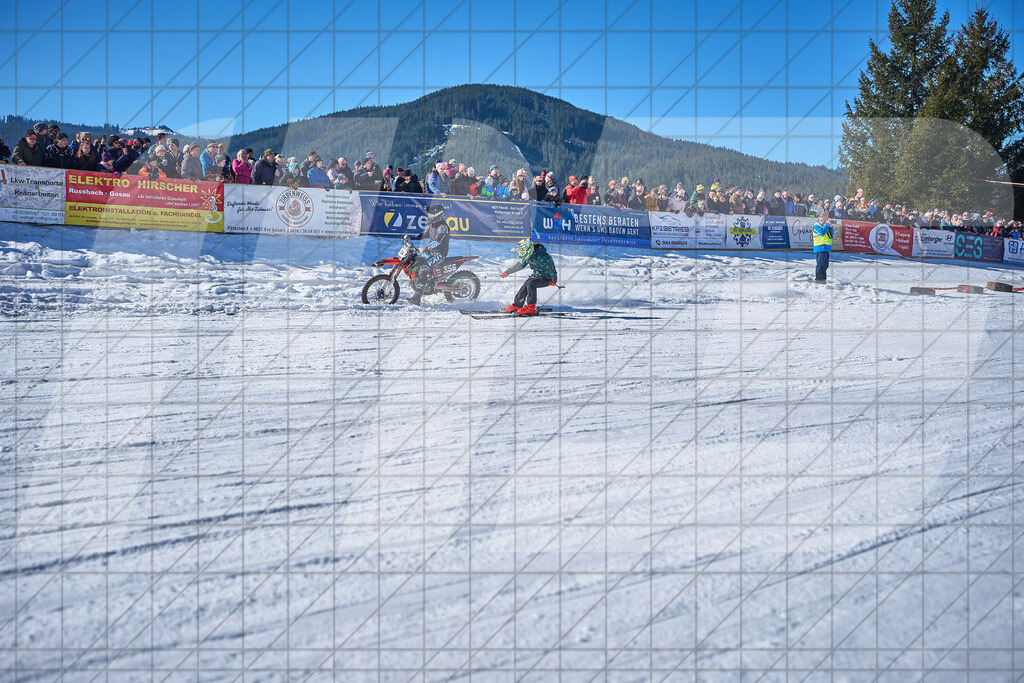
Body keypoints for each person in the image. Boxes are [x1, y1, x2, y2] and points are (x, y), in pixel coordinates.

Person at [500, 238, 558, 316]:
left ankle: (531, 307)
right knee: (526, 284)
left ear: (528, 249)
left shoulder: (542, 256)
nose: (521, 253)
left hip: (547, 278)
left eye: (522, 251)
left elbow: (552, 268)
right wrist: (507, 272)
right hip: (537, 276)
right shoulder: (528, 256)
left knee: (531, 283)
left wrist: (554, 280)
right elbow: (520, 265)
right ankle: (517, 305)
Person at [407, 203, 450, 306]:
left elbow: (438, 241)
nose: (429, 217)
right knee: (416, 263)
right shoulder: (432, 225)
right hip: (431, 252)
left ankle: (416, 299)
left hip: (439, 253)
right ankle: (423, 283)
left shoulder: (442, 227)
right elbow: (423, 234)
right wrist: (410, 237)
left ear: (438, 215)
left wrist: (426, 248)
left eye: (431, 215)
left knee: (423, 270)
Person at [812, 217, 833, 283]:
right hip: (820, 247)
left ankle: (823, 279)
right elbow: (822, 233)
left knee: (825, 265)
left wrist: (830, 227)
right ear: (821, 220)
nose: (826, 222)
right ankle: (818, 279)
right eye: (825, 220)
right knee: (820, 264)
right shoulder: (816, 226)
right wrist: (826, 225)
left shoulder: (824, 226)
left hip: (826, 248)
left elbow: (831, 235)